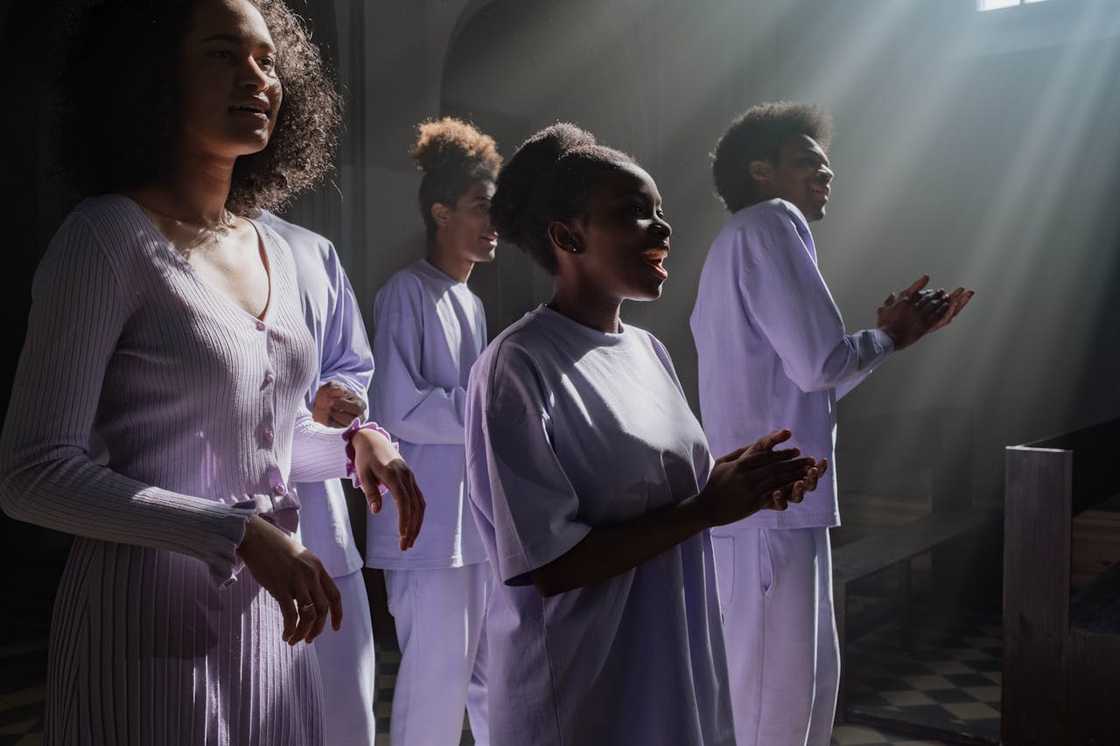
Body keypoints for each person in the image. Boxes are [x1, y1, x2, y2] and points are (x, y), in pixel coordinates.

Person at [0, 2, 425, 744]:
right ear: (154, 76)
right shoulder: (105, 238)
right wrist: (238, 533)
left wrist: (352, 445)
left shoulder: (277, 251)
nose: (256, 78)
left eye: (267, 60)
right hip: (142, 634)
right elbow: (33, 473)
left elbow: (257, 445)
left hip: (275, 630)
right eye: (224, 55)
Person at [465, 122, 828, 746]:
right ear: (568, 236)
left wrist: (738, 481)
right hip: (583, 689)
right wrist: (707, 509)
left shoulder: (648, 350)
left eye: (659, 211)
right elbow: (549, 563)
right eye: (635, 212)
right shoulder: (517, 365)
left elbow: (656, 491)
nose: (661, 228)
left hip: (673, 664)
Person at [690, 101, 973, 746]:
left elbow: (811, 377)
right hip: (768, 506)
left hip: (776, 505)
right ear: (761, 172)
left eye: (825, 163)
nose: (827, 172)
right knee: (773, 709)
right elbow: (821, 364)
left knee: (800, 700)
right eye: (806, 161)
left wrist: (890, 339)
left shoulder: (745, 239)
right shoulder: (770, 223)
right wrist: (888, 335)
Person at [365, 117, 500, 745]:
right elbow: (398, 407)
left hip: (472, 529)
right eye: (480, 206)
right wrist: (495, 408)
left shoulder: (472, 302)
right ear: (441, 212)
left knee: (493, 684)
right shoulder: (406, 293)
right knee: (434, 692)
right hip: (424, 530)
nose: (493, 221)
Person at [258, 210, 378, 746]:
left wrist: (341, 400)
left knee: (344, 710)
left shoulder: (312, 249)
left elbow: (352, 365)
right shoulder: (154, 235)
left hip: (321, 516)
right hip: (231, 520)